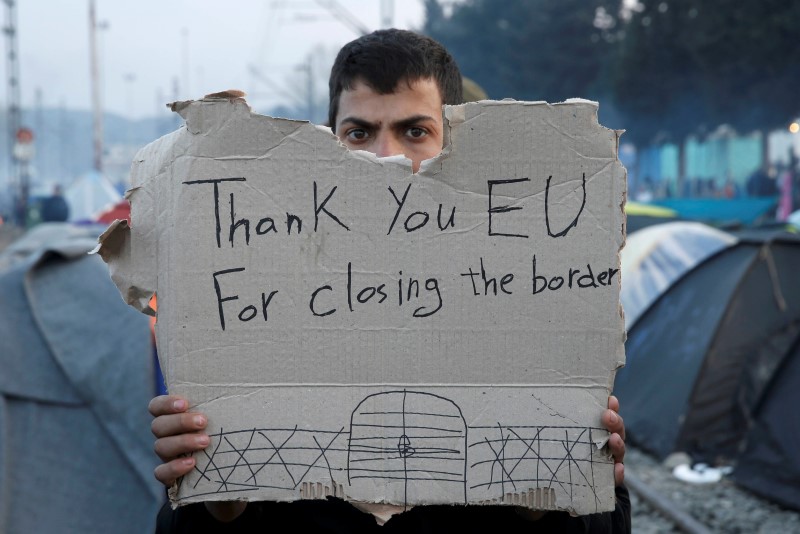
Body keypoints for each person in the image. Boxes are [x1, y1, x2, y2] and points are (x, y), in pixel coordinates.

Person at [152, 29, 630, 533]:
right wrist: (219, 506)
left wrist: (546, 503)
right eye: (358, 133)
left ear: (455, 140)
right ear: (324, 142)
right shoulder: (256, 305)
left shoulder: (537, 297)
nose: (386, 158)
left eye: (415, 132)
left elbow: (611, 523)